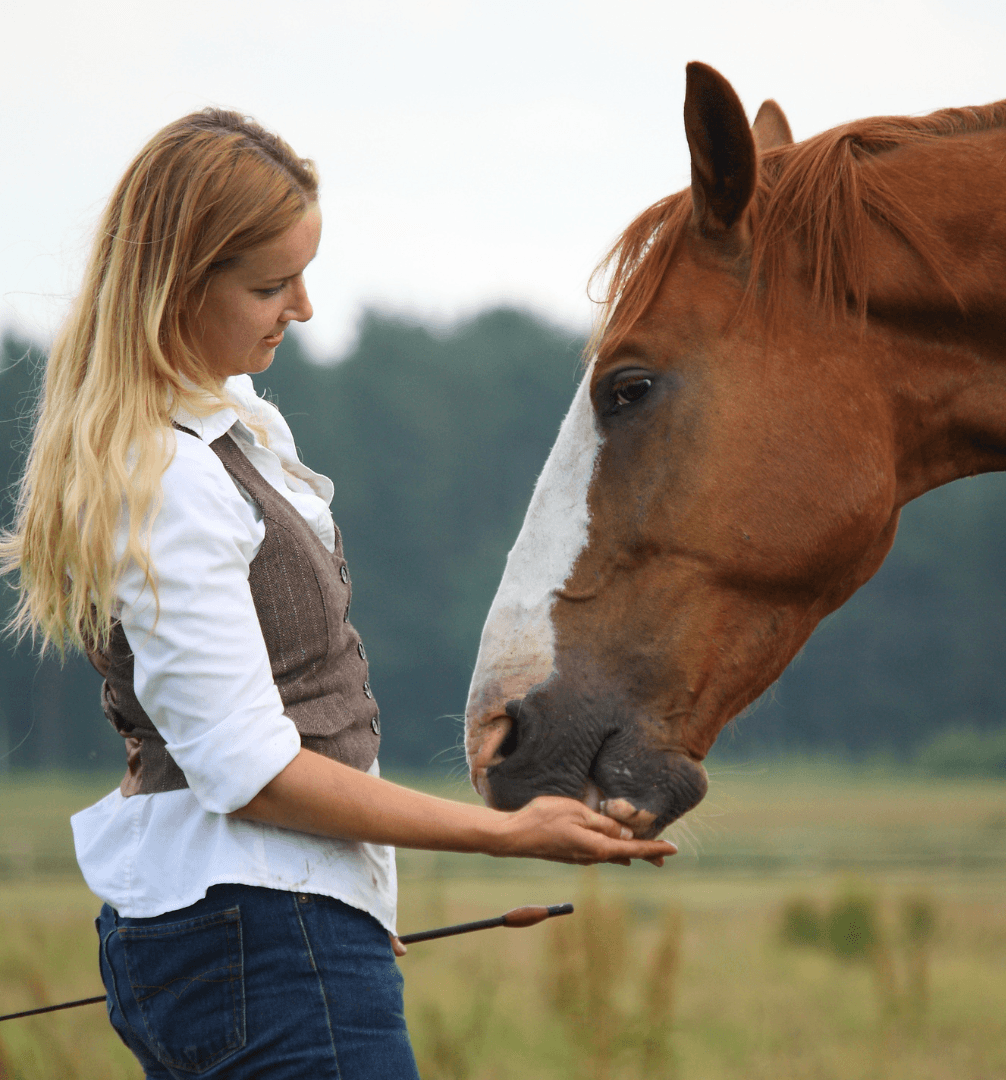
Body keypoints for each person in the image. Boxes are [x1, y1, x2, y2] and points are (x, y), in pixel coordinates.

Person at [0, 110, 676, 1077]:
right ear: (177, 285)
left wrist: (322, 899)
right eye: (271, 284)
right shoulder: (181, 480)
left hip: (259, 932)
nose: (304, 307)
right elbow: (251, 771)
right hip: (263, 943)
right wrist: (501, 834)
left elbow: (175, 746)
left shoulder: (217, 440)